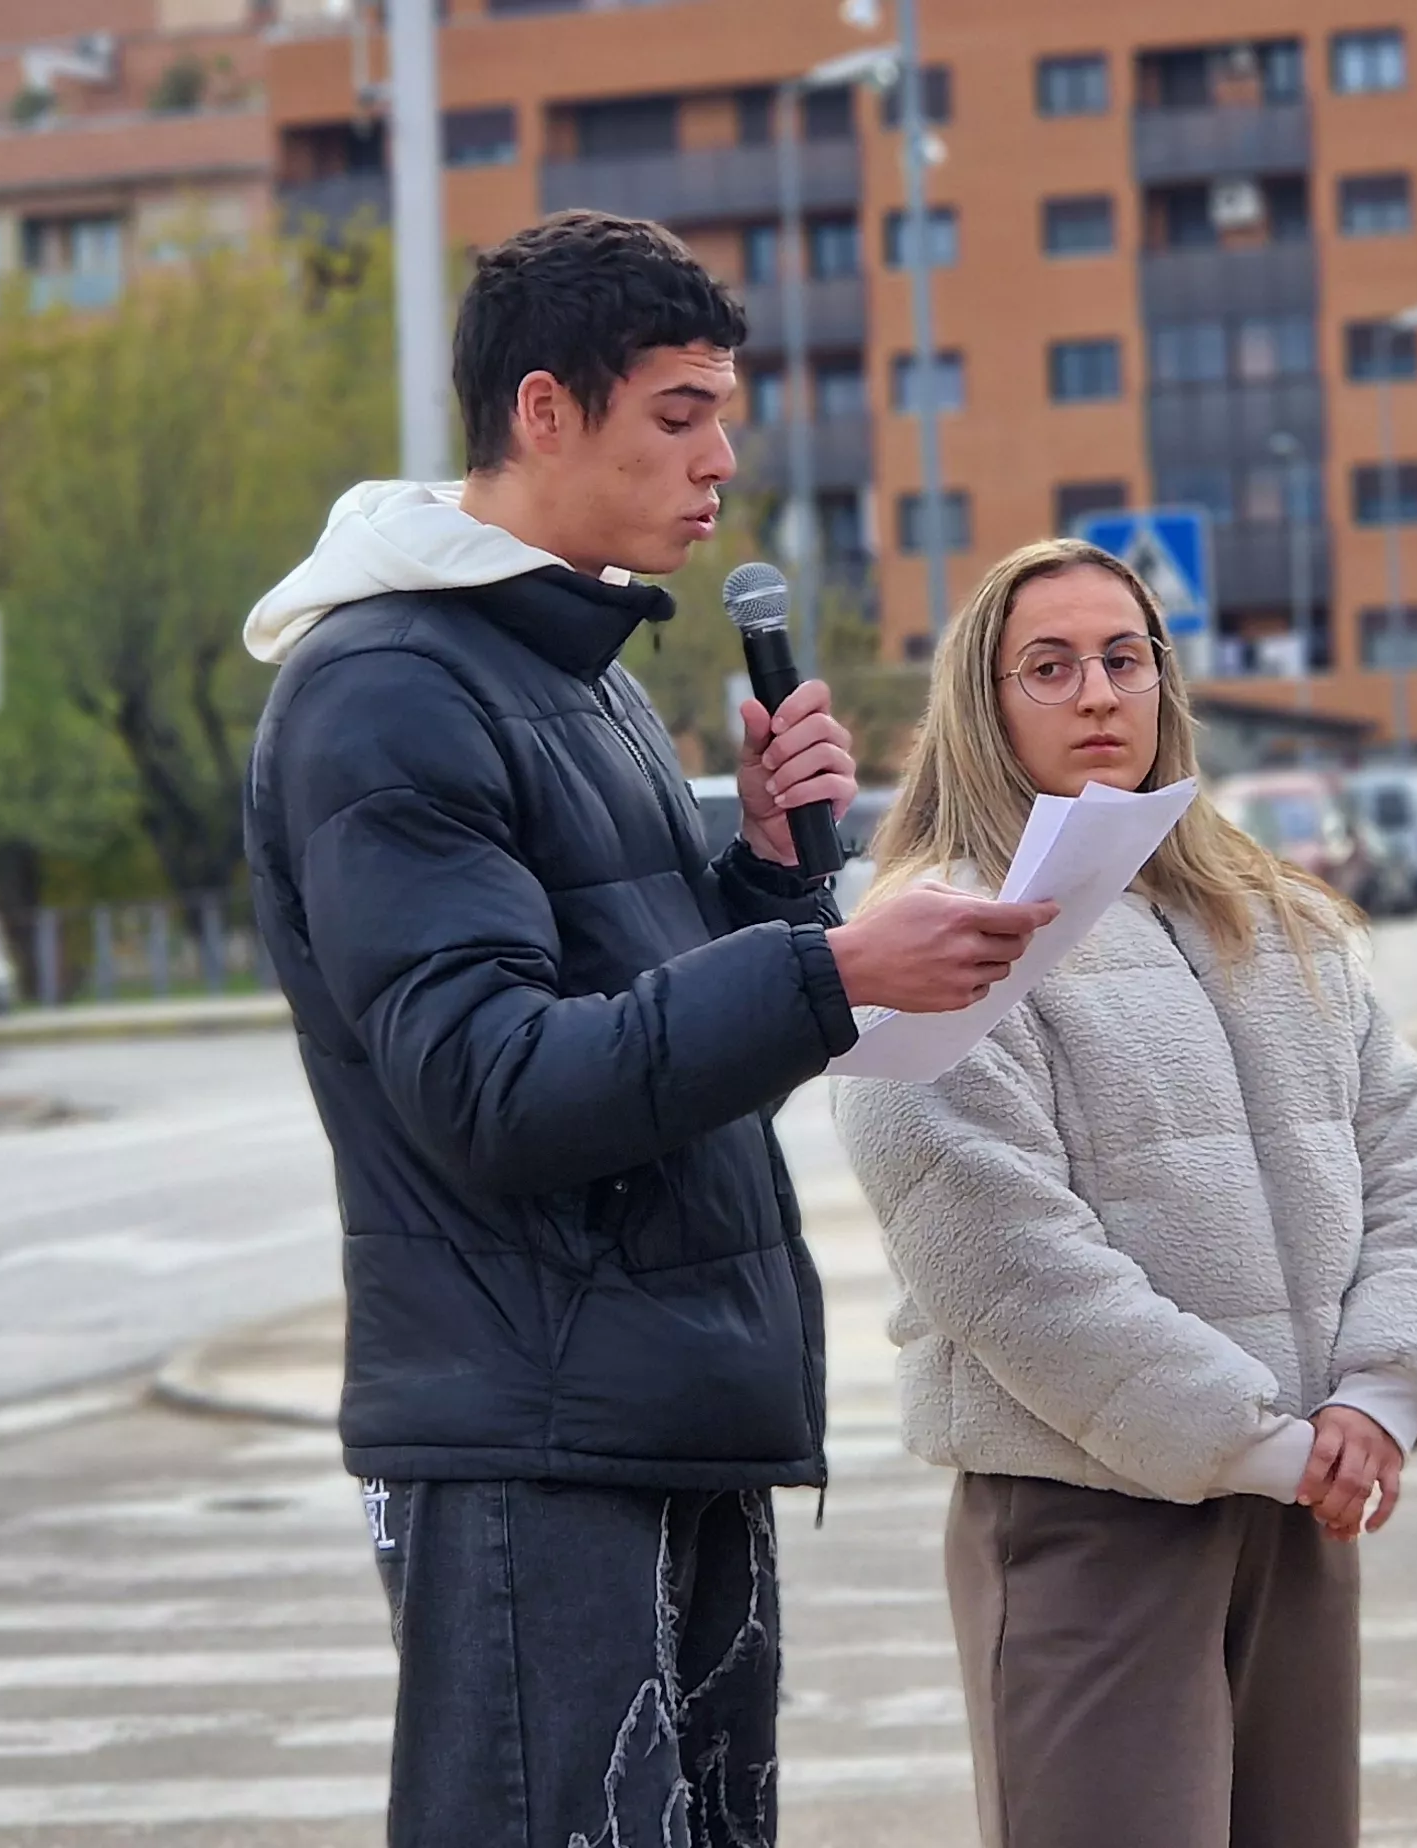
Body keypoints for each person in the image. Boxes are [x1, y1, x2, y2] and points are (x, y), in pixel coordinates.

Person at [239, 210, 1060, 1848]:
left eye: (722, 415)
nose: (719, 459)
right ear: (545, 412)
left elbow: (642, 1031)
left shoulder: (585, 674)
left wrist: (760, 872)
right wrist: (830, 973)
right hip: (532, 1433)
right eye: (678, 414)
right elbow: (497, 1085)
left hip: (654, 1410)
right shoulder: (388, 690)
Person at [833, 538, 1417, 1848]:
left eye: (1125, 659)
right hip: (1090, 1528)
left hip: (1299, 1510)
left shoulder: (1266, 914)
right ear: (985, 701)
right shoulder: (938, 931)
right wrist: (1267, 1443)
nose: (1097, 694)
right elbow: (1003, 1258)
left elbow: (1411, 1158)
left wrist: (1380, 1394)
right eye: (1050, 666)